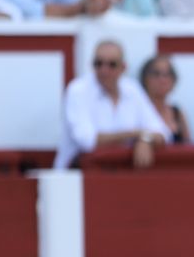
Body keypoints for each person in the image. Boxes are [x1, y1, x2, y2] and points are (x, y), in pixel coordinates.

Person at [54, 39, 169, 169]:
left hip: (121, 177)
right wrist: (136, 134)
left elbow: (162, 132)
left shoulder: (132, 89)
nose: (104, 70)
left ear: (123, 67)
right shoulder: (78, 90)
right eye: (98, 63)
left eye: (112, 64)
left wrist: (145, 140)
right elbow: (88, 141)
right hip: (76, 178)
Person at [140, 54, 191, 144]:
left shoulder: (177, 113)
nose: (162, 79)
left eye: (168, 74)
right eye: (156, 74)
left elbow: (189, 146)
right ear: (145, 78)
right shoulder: (137, 110)